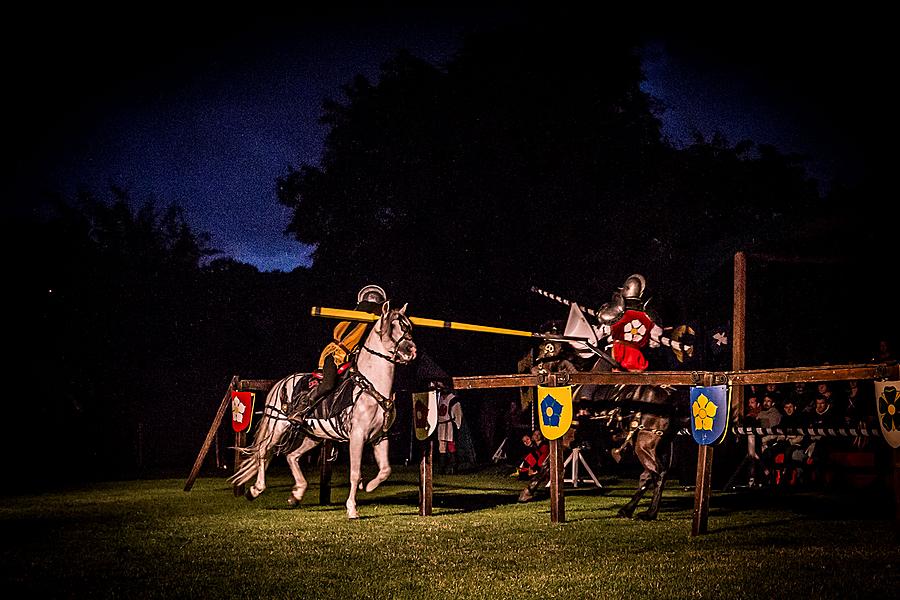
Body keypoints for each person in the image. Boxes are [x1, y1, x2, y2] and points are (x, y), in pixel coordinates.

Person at [304, 284, 388, 406]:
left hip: (350, 359)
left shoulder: (369, 324)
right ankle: (303, 405)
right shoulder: (357, 315)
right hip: (335, 354)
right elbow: (368, 306)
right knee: (328, 385)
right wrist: (386, 309)